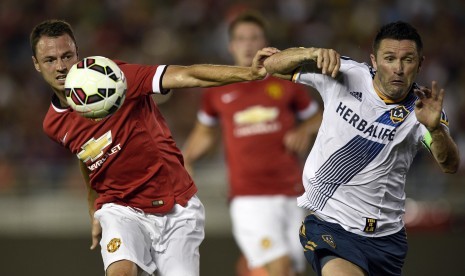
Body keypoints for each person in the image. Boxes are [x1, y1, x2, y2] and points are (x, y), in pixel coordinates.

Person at [30, 19, 277, 276]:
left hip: (176, 205)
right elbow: (86, 155)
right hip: (120, 208)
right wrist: (94, 207)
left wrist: (248, 73)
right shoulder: (53, 124)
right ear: (37, 64)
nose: (60, 67)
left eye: (66, 56)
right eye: (49, 60)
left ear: (77, 53)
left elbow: (188, 74)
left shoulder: (116, 78)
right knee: (121, 272)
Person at [263, 21, 460, 276]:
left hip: (386, 240)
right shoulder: (345, 73)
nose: (398, 69)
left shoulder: (423, 110)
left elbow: (449, 164)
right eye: (389, 58)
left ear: (420, 63)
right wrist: (310, 53)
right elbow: (272, 66)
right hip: (330, 224)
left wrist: (435, 130)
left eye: (407, 59)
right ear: (374, 61)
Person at [182, 12, 321, 276]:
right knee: (277, 264)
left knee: (288, 268)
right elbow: (205, 132)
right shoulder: (218, 89)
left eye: (254, 38)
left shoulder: (287, 82)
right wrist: (186, 158)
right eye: (241, 39)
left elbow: (318, 116)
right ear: (231, 46)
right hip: (248, 196)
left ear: (265, 43)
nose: (248, 44)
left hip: (292, 192)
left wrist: (304, 129)